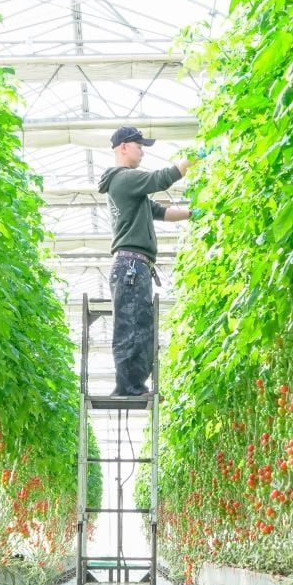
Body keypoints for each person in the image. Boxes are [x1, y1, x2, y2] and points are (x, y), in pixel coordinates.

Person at [97, 126, 196, 397]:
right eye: (139, 146)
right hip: (130, 266)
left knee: (139, 326)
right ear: (124, 147)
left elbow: (161, 212)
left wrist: (192, 212)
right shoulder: (124, 179)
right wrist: (189, 161)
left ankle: (133, 385)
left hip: (135, 267)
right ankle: (129, 387)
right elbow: (160, 179)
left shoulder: (130, 190)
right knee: (131, 327)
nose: (142, 151)